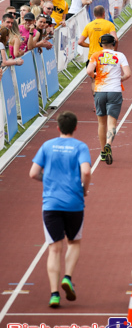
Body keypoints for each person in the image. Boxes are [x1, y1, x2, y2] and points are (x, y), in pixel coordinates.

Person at [29, 111, 91, 308]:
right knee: (74, 243)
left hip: (51, 204)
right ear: (75, 127)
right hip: (74, 202)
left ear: (58, 128)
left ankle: (54, 294)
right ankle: (67, 277)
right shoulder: (80, 147)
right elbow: (87, 171)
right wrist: (84, 189)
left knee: (54, 249)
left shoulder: (47, 146)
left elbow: (33, 173)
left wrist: (47, 181)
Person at [86, 34, 131, 164]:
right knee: (112, 123)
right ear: (114, 44)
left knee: (101, 123)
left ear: (101, 44)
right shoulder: (120, 56)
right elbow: (128, 74)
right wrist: (120, 79)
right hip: (115, 91)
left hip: (100, 91)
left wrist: (96, 76)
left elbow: (89, 71)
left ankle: (102, 152)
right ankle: (109, 144)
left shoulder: (96, 55)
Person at [78, 5, 118, 95]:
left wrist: (91, 45)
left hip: (92, 57)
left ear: (94, 14)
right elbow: (116, 39)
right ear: (104, 13)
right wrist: (114, 51)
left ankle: (96, 103)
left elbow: (80, 42)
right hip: (106, 57)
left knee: (94, 80)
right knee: (107, 80)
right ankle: (106, 100)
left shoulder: (89, 25)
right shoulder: (109, 24)